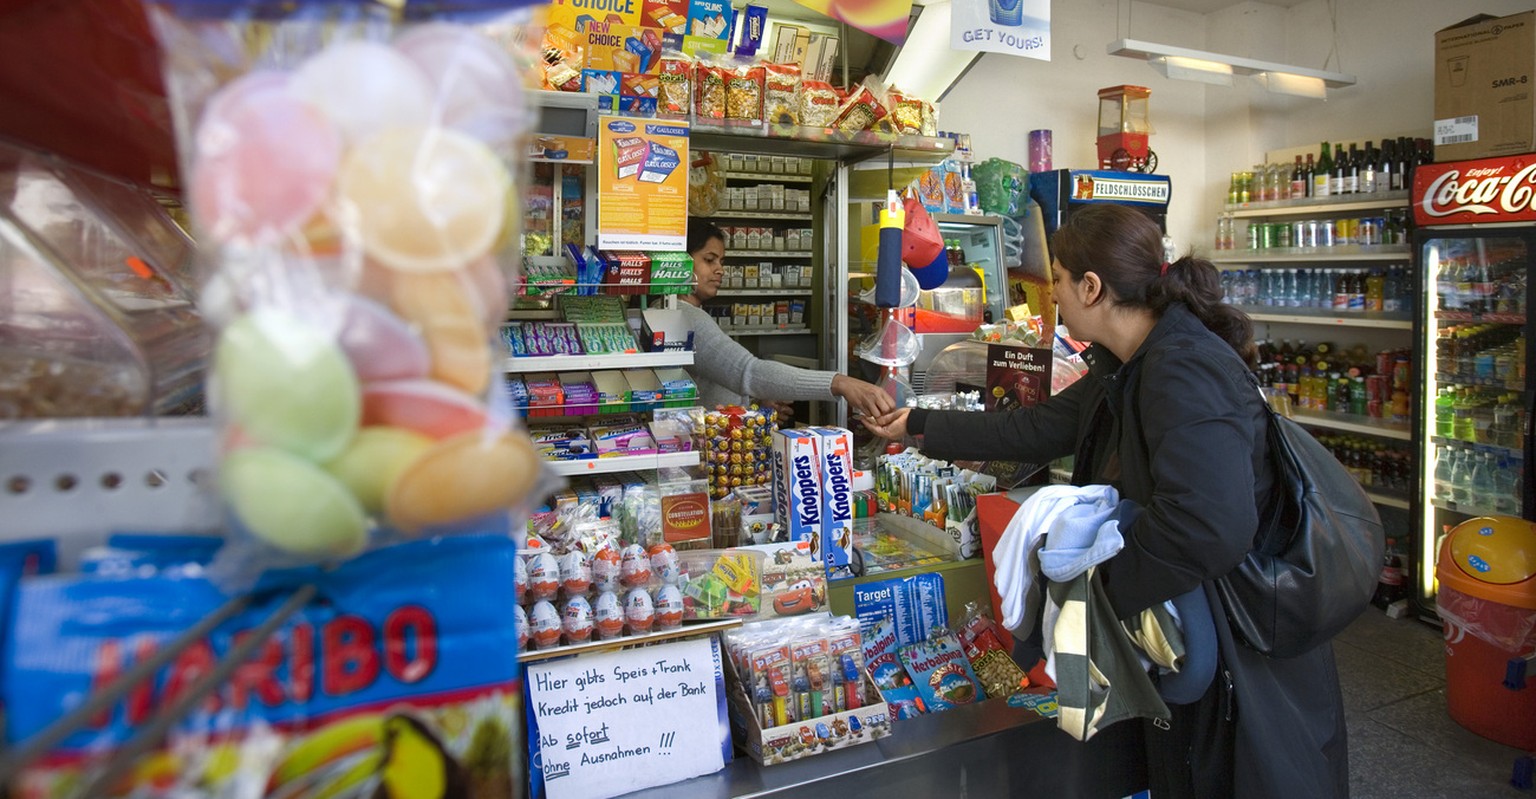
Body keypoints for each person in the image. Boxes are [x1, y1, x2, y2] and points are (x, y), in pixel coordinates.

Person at [863, 204, 1348, 798]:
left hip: (1238, 645)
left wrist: (1089, 596)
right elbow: (1038, 430)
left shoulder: (1183, 369)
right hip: (1188, 615)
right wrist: (918, 424)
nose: (1052, 298)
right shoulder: (1128, 360)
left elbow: (1208, 527)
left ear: (1091, 288)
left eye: (1059, 280)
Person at [676, 220, 895, 419]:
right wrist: (839, 383)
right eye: (709, 260)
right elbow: (748, 371)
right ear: (681, 262)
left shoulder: (687, 313)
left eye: (721, 261)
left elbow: (710, 384)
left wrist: (754, 403)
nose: (720, 270)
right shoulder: (685, 316)